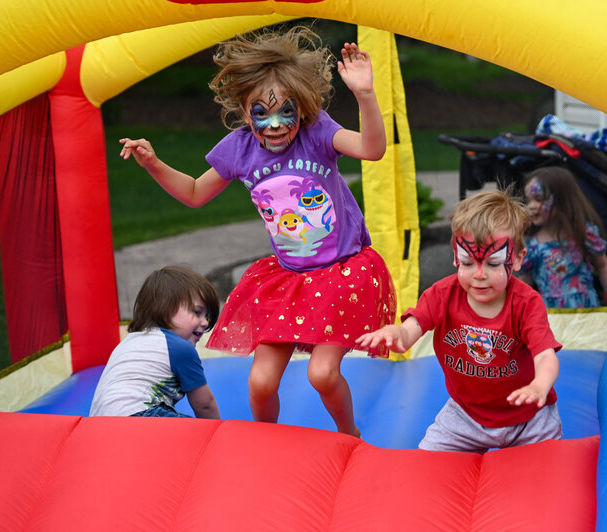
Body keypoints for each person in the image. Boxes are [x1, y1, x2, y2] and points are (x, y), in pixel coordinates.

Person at [118, 26, 396, 437]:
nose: (275, 124)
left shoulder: (317, 133)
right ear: (245, 111)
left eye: (286, 110)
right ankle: (265, 444)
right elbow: (195, 193)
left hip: (342, 273)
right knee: (261, 382)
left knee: (322, 374)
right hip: (289, 281)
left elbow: (372, 150)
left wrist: (365, 95)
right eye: (260, 113)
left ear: (302, 107)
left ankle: (349, 433)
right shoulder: (240, 148)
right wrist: (154, 164)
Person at [357, 190, 562, 453]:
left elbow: (545, 356)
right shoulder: (442, 295)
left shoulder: (526, 303)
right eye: (467, 262)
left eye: (492, 263)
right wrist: (397, 335)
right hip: (465, 417)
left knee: (545, 478)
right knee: (426, 468)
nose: (479, 275)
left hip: (529, 420)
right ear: (455, 256)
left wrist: (539, 385)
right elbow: (411, 330)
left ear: (518, 259)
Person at [90, 265, 221, 419]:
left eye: (207, 316)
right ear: (165, 309)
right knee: (194, 433)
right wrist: (216, 438)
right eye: (197, 312)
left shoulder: (129, 342)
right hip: (139, 416)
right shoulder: (180, 348)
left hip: (98, 422)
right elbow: (205, 404)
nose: (205, 322)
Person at [519, 166, 607, 308]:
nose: (531, 206)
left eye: (538, 199)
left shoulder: (583, 233)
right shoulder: (532, 244)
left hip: (586, 310)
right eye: (528, 200)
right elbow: (525, 280)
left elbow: (603, 265)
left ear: (561, 199)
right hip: (552, 314)